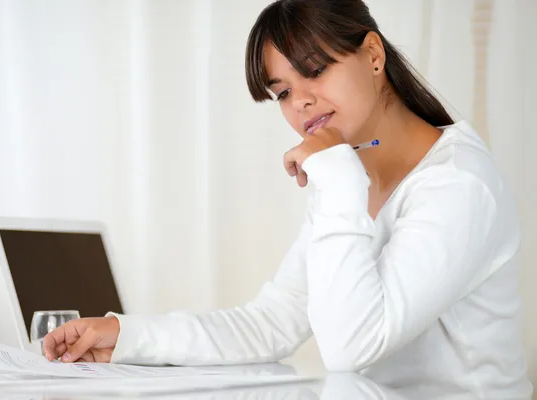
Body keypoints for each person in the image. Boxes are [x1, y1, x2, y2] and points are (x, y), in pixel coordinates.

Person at [43, 0, 532, 397]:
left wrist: (338, 181)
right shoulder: (348, 170)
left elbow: (351, 348)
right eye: (281, 92)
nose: (299, 102)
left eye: (316, 71)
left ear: (374, 55)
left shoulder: (457, 184)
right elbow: (274, 320)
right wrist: (126, 337)